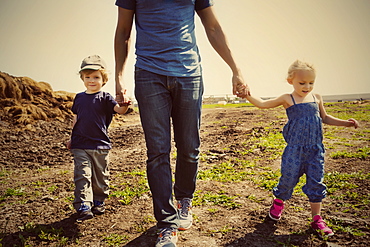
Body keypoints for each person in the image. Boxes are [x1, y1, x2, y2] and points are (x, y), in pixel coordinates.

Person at [114, 1, 249, 246]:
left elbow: (213, 27)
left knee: (189, 148)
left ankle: (183, 200)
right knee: (157, 152)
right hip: (148, 73)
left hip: (189, 73)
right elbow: (123, 31)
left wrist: (236, 69)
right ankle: (167, 225)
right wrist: (119, 78)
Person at [244, 60, 359, 238]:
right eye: (302, 83)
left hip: (315, 150)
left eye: (311, 83)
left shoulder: (317, 98)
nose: (307, 86)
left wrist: (346, 123)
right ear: (291, 81)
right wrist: (247, 95)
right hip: (294, 150)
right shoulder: (287, 99)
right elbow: (263, 104)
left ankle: (317, 219)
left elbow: (325, 118)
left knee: (316, 182)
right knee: (288, 180)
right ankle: (278, 201)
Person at [67, 55, 130, 223]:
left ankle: (98, 201)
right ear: (82, 78)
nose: (91, 80)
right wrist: (71, 137)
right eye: (87, 77)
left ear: (103, 79)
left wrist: (124, 104)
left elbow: (119, 110)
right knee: (83, 174)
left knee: (101, 176)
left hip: (100, 145)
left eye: (96, 77)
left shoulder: (105, 97)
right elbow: (75, 119)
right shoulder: (79, 98)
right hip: (80, 144)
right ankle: (83, 206)